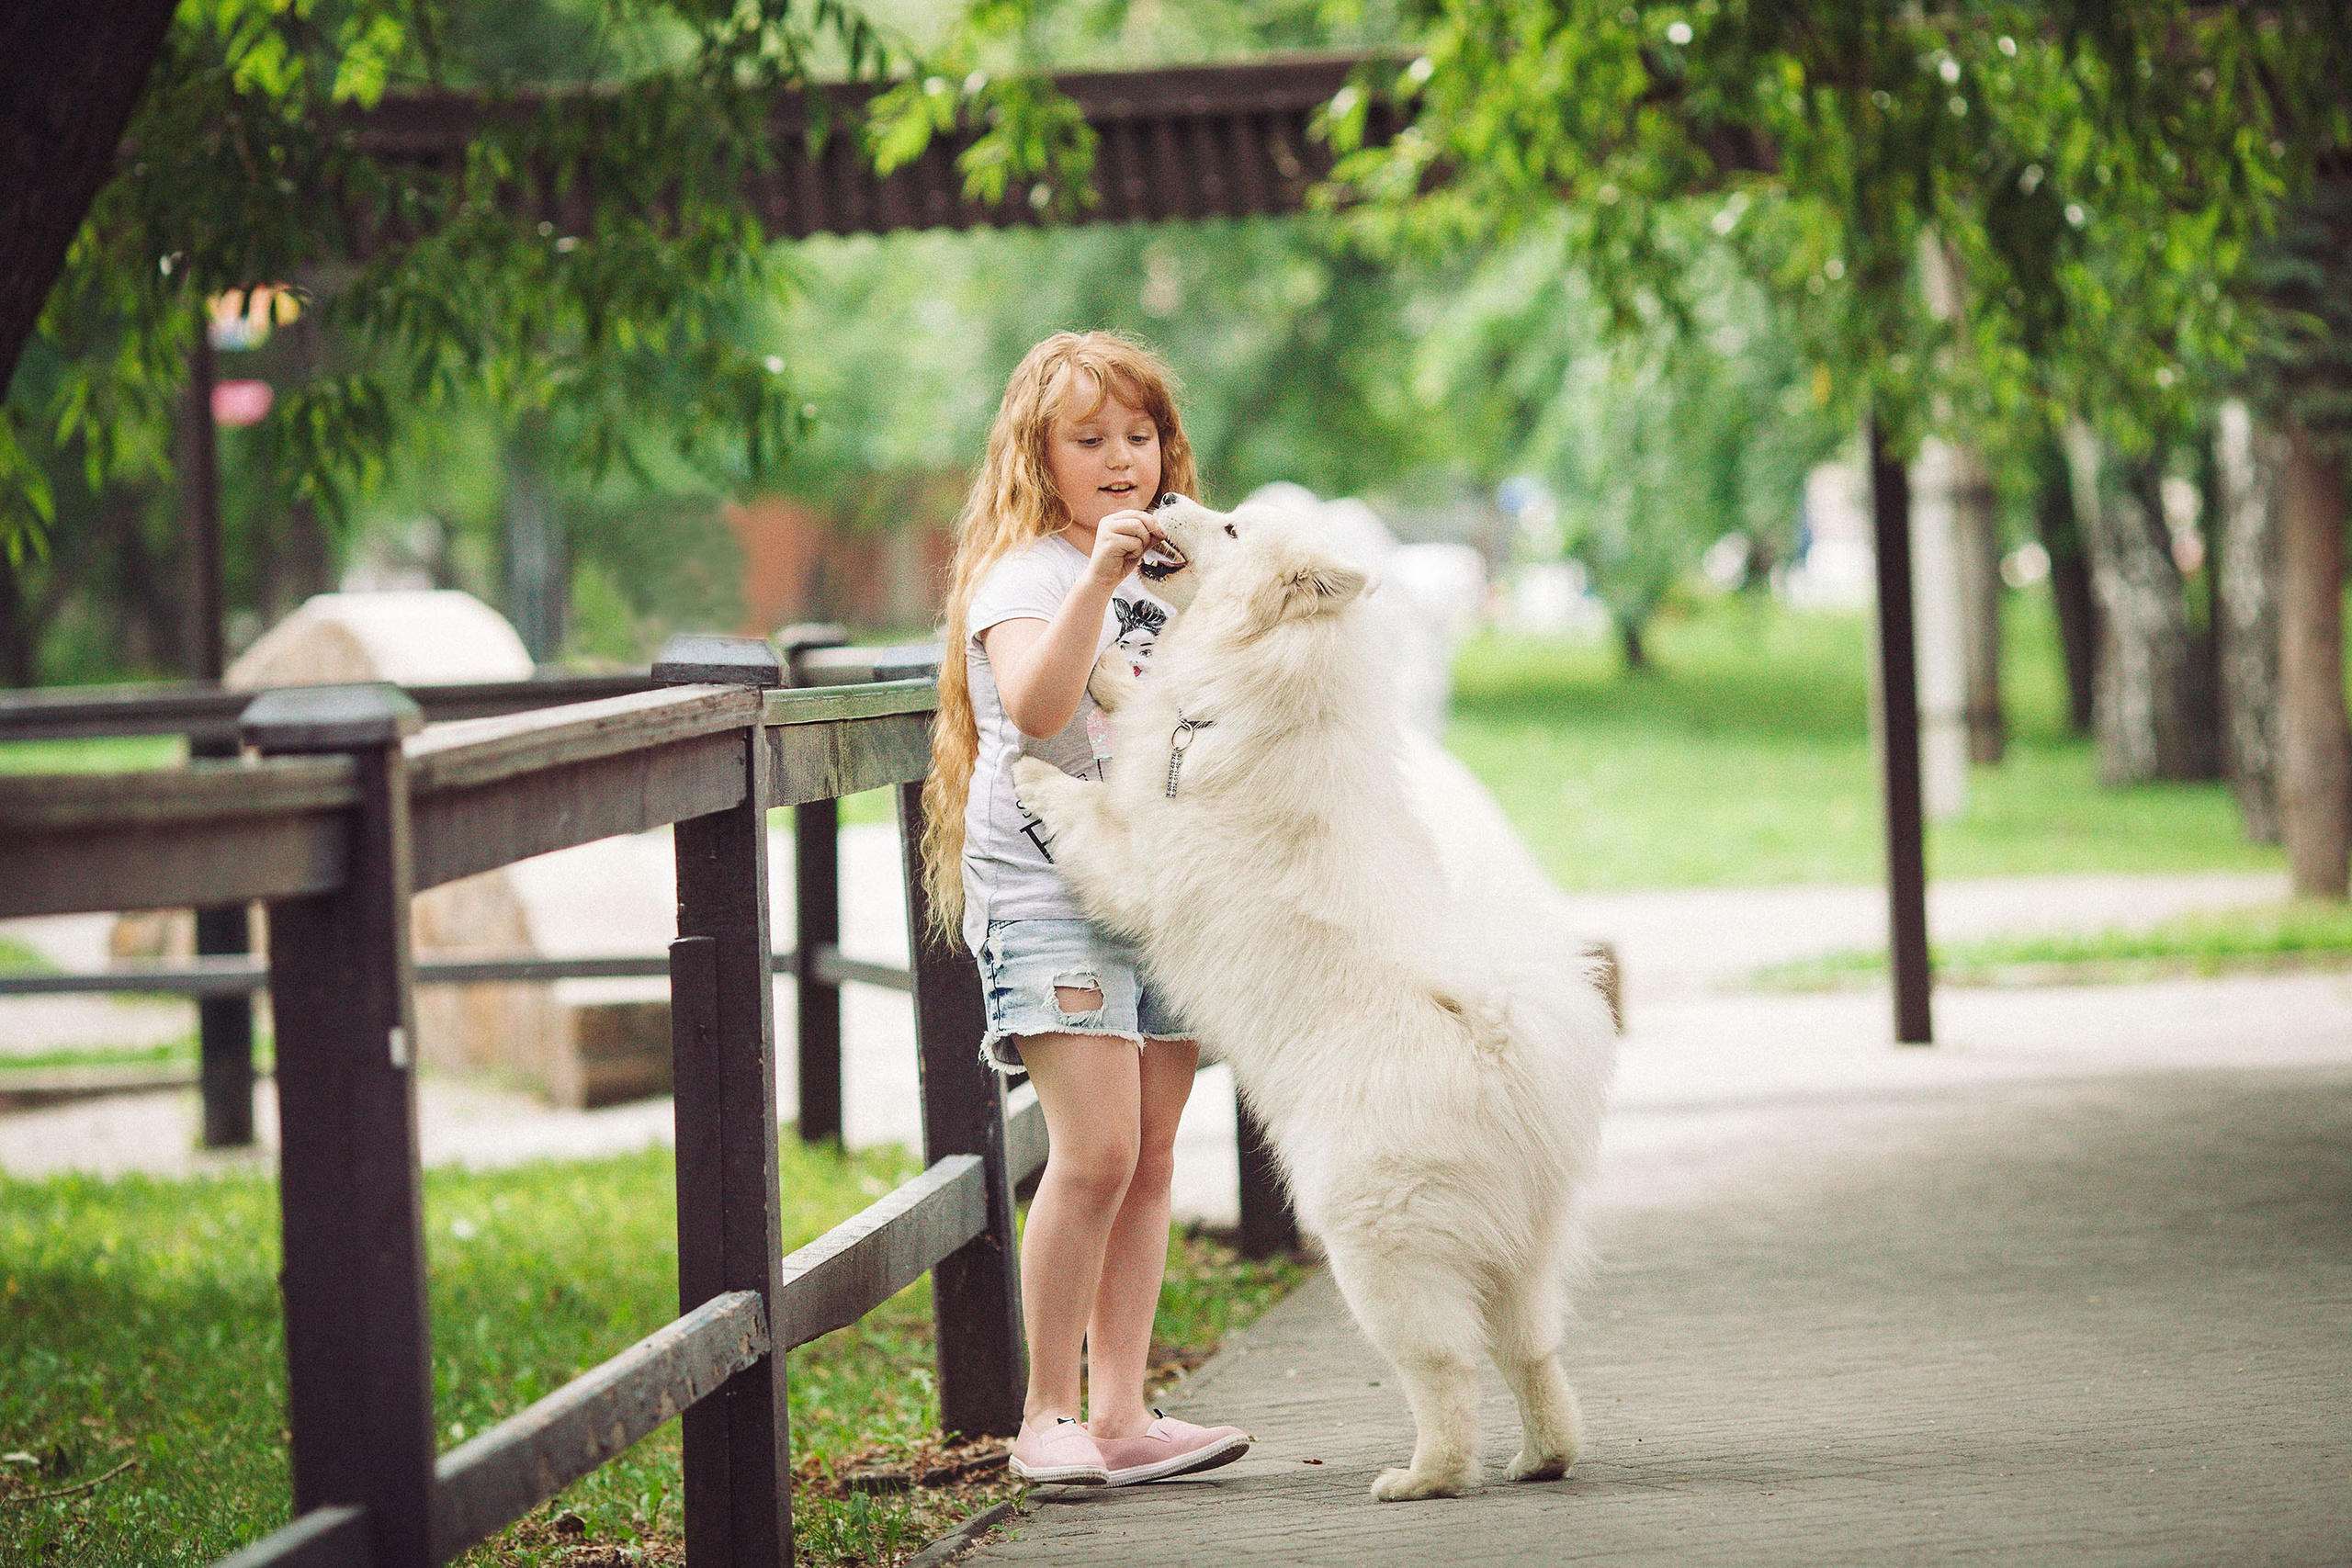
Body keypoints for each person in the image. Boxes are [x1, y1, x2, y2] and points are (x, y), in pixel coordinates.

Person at [918, 331, 1250, 1488]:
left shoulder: (1187, 566)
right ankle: (1044, 1415)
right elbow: (1040, 704)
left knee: (1153, 1156)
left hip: (1167, 890)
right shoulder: (1027, 577)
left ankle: (1122, 1412)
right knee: (1096, 1149)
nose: (1120, 459)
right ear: (1038, 456)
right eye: (1089, 438)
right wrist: (1101, 577)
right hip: (1054, 896)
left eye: (1139, 435)